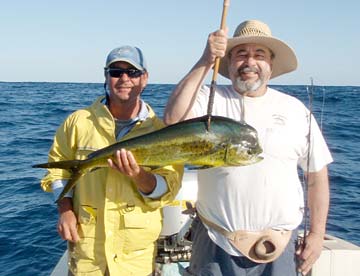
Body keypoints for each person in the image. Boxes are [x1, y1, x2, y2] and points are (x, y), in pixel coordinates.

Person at [164, 20, 332, 276]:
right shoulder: (209, 99)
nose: (249, 62)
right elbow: (173, 121)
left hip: (280, 245)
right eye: (241, 54)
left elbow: (316, 176)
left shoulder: (295, 109)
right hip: (215, 241)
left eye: (259, 55)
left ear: (270, 65)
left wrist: (318, 234)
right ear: (228, 63)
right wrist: (205, 60)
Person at [40, 45, 183, 276]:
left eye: (133, 72)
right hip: (88, 257)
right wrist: (65, 210)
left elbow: (169, 188)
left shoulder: (162, 130)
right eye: (116, 72)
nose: (124, 78)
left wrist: (139, 176)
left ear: (144, 78)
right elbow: (58, 172)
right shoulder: (78, 122)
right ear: (106, 76)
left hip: (135, 260)